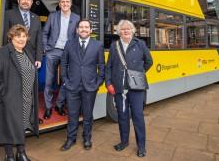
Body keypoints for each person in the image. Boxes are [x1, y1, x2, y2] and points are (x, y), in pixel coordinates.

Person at [105, 20, 153, 158]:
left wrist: (138, 73)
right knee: (122, 116)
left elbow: (149, 61)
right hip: (120, 87)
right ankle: (124, 141)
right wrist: (109, 83)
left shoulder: (140, 44)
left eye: (128, 29)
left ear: (132, 30)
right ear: (119, 31)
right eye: (123, 29)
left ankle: (141, 146)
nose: (125, 31)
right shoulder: (115, 46)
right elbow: (109, 66)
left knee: (138, 116)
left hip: (136, 88)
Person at [0, 25, 38, 161]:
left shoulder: (27, 52)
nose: (21, 39)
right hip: (11, 97)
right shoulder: (2, 52)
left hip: (26, 97)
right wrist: (4, 95)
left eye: (24, 36)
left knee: (22, 124)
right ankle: (9, 155)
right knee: (9, 125)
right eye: (18, 36)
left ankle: (21, 152)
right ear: (11, 37)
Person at [60, 19, 105, 151]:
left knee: (87, 115)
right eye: (81, 27)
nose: (84, 29)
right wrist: (65, 80)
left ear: (91, 30)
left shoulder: (98, 45)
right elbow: (63, 63)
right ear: (77, 30)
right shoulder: (69, 44)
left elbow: (101, 66)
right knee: (72, 114)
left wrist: (98, 82)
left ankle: (87, 138)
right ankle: (70, 139)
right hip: (72, 86)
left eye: (86, 27)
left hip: (90, 86)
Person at [42, 0, 80, 119]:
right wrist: (46, 48)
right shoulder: (52, 16)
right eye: (62, 2)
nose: (65, 4)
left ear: (70, 4)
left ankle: (59, 104)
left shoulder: (76, 18)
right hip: (52, 52)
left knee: (66, 81)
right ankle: (48, 107)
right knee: (49, 80)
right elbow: (45, 32)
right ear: (59, 4)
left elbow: (78, 36)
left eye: (67, 2)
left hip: (68, 53)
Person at [4, 0, 43, 69]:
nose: (26, 1)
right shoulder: (8, 14)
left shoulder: (36, 18)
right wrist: (5, 54)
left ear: (31, 2)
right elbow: (5, 35)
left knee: (29, 79)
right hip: (13, 55)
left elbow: (39, 39)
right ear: (18, 0)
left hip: (31, 57)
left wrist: (39, 58)